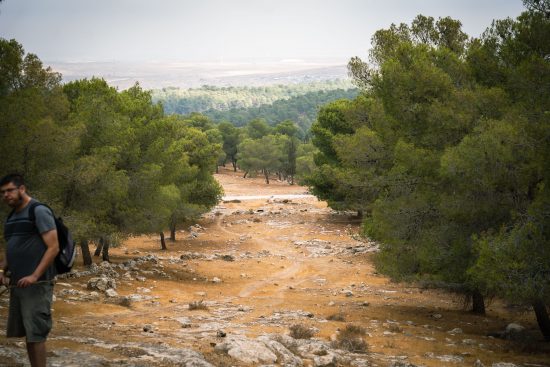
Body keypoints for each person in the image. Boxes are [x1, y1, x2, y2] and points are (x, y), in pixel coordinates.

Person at [0, 174, 59, 367]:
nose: (6, 195)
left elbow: (53, 247)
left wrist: (34, 275)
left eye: (10, 190)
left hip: (37, 284)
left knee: (37, 333)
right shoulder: (11, 216)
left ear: (22, 189)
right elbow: (11, 247)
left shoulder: (38, 210)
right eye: (2, 192)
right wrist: (3, 270)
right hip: (19, 283)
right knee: (28, 332)